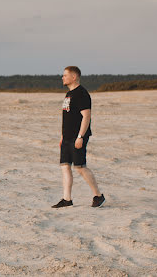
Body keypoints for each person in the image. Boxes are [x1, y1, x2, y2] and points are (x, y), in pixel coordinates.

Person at [52, 66, 105, 208]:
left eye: (65, 75)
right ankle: (67, 199)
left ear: (74, 77)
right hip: (67, 138)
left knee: (80, 167)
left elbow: (86, 116)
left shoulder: (81, 93)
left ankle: (98, 196)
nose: (62, 78)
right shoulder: (69, 94)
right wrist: (62, 137)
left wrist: (80, 136)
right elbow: (68, 118)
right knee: (65, 167)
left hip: (78, 137)